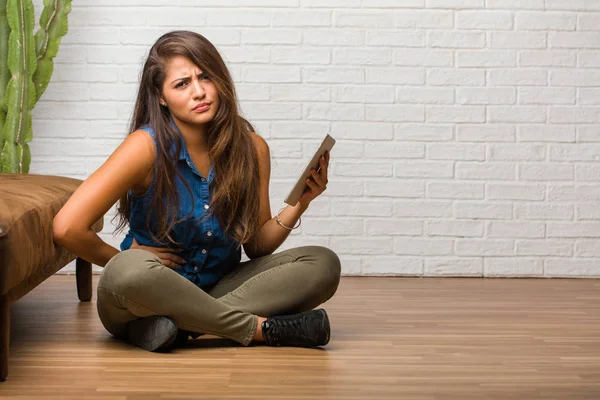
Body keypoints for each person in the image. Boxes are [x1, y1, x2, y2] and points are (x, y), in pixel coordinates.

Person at [52, 30, 341, 352]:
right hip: (143, 294)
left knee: (322, 263)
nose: (199, 92)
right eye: (182, 84)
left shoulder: (252, 148)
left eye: (205, 77)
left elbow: (258, 245)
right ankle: (261, 329)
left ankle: (179, 327)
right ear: (160, 97)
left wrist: (300, 203)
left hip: (218, 288)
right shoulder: (144, 147)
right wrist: (120, 258)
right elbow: (67, 228)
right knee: (128, 273)